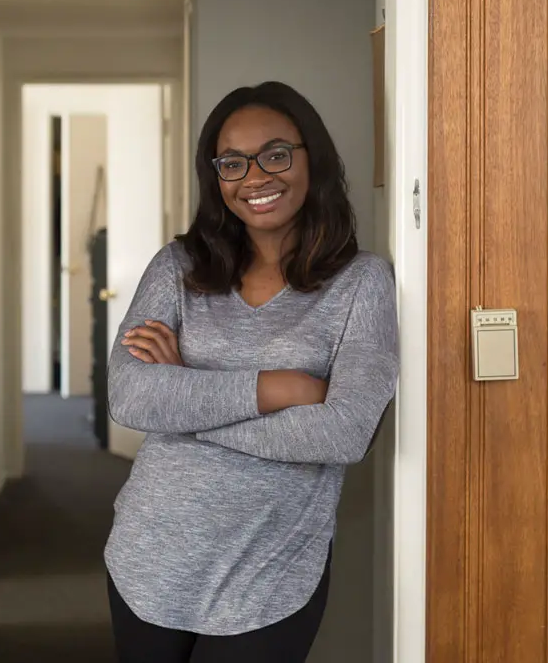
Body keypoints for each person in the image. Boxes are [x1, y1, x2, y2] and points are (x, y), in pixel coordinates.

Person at [103, 81, 399, 663]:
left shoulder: (361, 283)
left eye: (276, 154)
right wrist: (276, 388)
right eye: (232, 163)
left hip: (270, 571)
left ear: (313, 157)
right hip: (149, 555)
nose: (255, 177)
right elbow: (129, 394)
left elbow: (343, 433)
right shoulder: (178, 266)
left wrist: (183, 394)